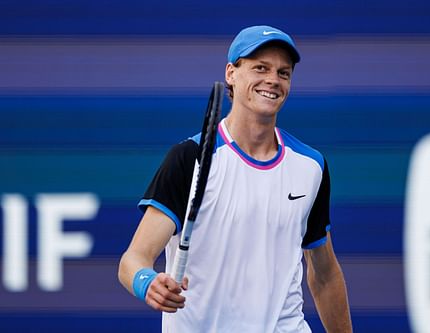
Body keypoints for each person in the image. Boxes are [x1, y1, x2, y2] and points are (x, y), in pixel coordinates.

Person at [118, 25, 352, 333]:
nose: (273, 80)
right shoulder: (190, 158)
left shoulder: (311, 166)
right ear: (231, 73)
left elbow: (323, 274)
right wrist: (147, 282)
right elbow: (133, 259)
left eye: (283, 73)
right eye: (260, 68)